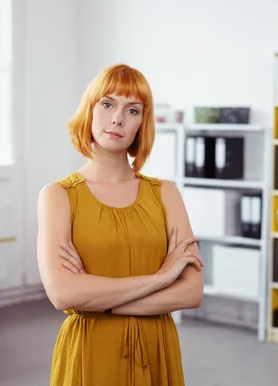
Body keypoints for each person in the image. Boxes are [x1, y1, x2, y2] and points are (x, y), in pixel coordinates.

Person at [37, 63, 204, 386]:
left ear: (143, 123)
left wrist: (100, 299)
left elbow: (191, 291)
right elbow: (62, 294)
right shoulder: (57, 196)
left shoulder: (165, 193)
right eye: (107, 104)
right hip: (89, 350)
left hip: (156, 347)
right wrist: (162, 277)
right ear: (90, 109)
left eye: (133, 110)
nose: (117, 118)